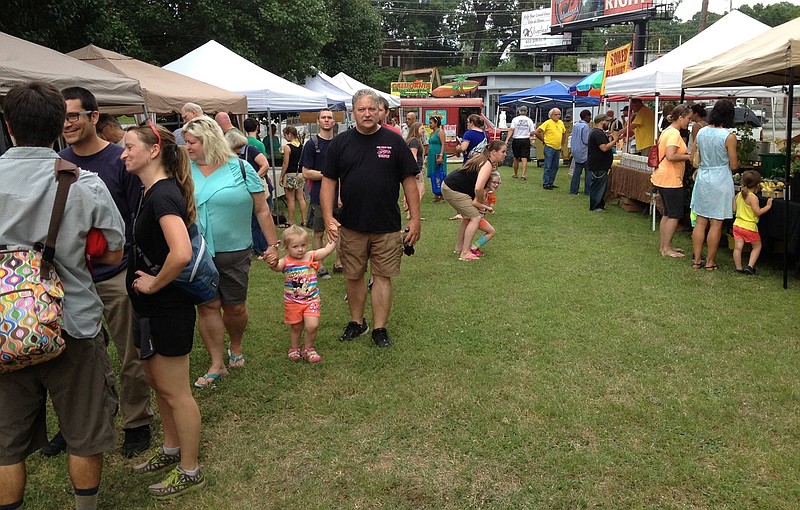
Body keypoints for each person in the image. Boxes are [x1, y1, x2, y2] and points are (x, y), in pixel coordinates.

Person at [0, 81, 125, 510]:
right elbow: (114, 248)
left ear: (9, 125)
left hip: (4, 327)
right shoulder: (82, 183)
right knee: (84, 430)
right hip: (72, 321)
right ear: (59, 125)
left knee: (5, 442)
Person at [57, 86, 153, 458]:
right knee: (81, 356)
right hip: (71, 277)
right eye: (62, 117)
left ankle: (137, 422)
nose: (67, 124)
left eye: (73, 116)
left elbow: (135, 218)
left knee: (129, 352)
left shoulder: (119, 159)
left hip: (115, 274)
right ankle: (86, 422)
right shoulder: (58, 162)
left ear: (94, 117)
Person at [121, 121, 205, 499]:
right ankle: (171, 450)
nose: (123, 154)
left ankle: (190, 469)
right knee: (158, 384)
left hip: (167, 307)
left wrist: (154, 284)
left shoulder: (162, 195)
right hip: (149, 309)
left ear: (154, 150)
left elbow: (181, 252)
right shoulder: (150, 191)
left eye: (128, 147)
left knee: (176, 392)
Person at [183, 116, 280, 387]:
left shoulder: (241, 168)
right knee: (208, 305)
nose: (187, 147)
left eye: (192, 142)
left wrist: (272, 244)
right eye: (186, 142)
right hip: (198, 251)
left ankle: (235, 345)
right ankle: (217, 362)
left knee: (235, 307)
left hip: (234, 250)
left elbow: (261, 208)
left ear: (209, 140)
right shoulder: (182, 168)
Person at [321, 89, 421, 348]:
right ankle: (357, 322)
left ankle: (379, 328)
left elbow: (409, 182)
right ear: (353, 112)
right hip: (351, 224)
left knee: (382, 276)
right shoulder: (340, 143)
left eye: (371, 109)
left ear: (380, 111)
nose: (367, 114)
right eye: (361, 109)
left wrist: (416, 220)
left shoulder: (394, 141)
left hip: (387, 225)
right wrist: (328, 217)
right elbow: (329, 183)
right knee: (353, 276)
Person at [269, 226, 337, 363]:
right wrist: (272, 263)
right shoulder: (286, 261)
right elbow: (276, 267)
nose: (300, 249)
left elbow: (325, 251)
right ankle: (294, 348)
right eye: (295, 246)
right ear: (287, 247)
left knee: (312, 325)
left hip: (311, 300)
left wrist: (334, 239)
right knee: (296, 326)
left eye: (303, 245)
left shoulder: (311, 256)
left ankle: (308, 348)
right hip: (292, 302)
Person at [690, 99, 738, 271]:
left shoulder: (702, 132)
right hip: (720, 177)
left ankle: (696, 259)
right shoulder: (728, 136)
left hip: (704, 176)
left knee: (701, 220)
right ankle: (710, 261)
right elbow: (733, 164)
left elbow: (692, 156)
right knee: (716, 223)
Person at [441, 140, 507, 261]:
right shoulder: (487, 164)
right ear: (493, 152)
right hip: (454, 189)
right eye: (503, 151)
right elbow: (478, 188)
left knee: (467, 217)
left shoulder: (483, 159)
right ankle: (465, 252)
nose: (505, 154)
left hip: (449, 185)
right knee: (475, 217)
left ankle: (460, 247)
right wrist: (481, 203)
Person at [651, 104, 692, 259]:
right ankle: (666, 248)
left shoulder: (667, 131)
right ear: (680, 117)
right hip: (670, 178)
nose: (688, 121)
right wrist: (689, 156)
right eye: (688, 118)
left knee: (667, 213)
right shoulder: (674, 134)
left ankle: (664, 245)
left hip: (663, 177)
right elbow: (670, 156)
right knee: (674, 214)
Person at [301, 109, 339, 279]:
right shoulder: (311, 144)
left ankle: (339, 262)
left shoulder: (339, 143)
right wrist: (328, 174)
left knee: (340, 230)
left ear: (334, 121)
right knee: (319, 231)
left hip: (338, 194)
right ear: (318, 121)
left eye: (329, 117)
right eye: (323, 117)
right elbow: (306, 172)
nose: (326, 120)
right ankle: (320, 264)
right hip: (318, 195)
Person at [225, 129, 273, 256]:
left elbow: (265, 165)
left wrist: (253, 179)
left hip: (255, 190)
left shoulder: (250, 150)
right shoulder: (228, 157)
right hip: (242, 193)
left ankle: (262, 248)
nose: (238, 150)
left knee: (258, 219)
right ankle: (256, 247)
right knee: (252, 221)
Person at [732, 171, 773, 275]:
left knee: (737, 248)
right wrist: (767, 206)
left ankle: (738, 267)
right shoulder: (753, 197)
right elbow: (758, 212)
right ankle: (750, 267)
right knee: (757, 246)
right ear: (757, 184)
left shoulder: (739, 195)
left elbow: (734, 209)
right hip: (749, 227)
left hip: (737, 225)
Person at [587, 114, 621, 212]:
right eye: (607, 121)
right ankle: (596, 206)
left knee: (599, 185)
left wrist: (607, 135)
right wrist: (615, 139)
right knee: (598, 186)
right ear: (602, 122)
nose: (608, 123)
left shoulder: (597, 132)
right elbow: (604, 148)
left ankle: (598, 204)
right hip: (598, 164)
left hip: (598, 163)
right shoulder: (598, 133)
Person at [469, 170, 501, 257]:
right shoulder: (483, 192)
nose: (496, 185)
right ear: (488, 181)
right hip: (476, 217)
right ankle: (474, 247)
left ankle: (471, 247)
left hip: (477, 217)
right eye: (494, 182)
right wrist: (487, 207)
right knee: (491, 231)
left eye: (498, 183)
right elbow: (474, 203)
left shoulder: (488, 193)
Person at [280, 126, 308, 227]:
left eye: (285, 135)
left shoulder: (288, 147)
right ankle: (304, 220)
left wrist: (281, 176)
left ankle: (290, 221)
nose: (285, 138)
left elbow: (285, 163)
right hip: (300, 174)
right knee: (301, 197)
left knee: (290, 199)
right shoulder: (302, 146)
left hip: (290, 174)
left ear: (289, 134)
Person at [534, 108, 566, 190]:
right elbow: (537, 132)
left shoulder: (561, 123)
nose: (558, 116)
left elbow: (564, 133)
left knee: (555, 167)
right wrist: (543, 140)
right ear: (551, 115)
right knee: (548, 166)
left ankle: (551, 182)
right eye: (556, 114)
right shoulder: (547, 123)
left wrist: (562, 144)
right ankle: (546, 183)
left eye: (559, 114)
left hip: (557, 148)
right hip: (549, 147)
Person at [404, 121, 426, 218]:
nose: (424, 130)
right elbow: (413, 156)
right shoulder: (414, 141)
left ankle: (410, 212)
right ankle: (413, 212)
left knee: (413, 191)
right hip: (416, 170)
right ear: (416, 129)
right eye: (422, 128)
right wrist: (415, 170)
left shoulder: (415, 140)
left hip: (414, 169)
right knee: (419, 192)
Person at [508, 106, 535, 180]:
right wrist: (529, 135)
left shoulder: (515, 119)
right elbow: (532, 132)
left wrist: (507, 139)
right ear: (526, 112)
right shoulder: (529, 120)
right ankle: (523, 174)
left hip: (516, 139)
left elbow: (512, 129)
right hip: (525, 139)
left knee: (516, 157)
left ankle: (515, 173)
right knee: (524, 157)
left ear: (519, 111)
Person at [569, 109, 592, 195]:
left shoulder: (576, 125)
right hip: (584, 151)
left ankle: (573, 190)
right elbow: (586, 140)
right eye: (589, 116)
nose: (590, 118)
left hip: (576, 151)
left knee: (577, 172)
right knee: (588, 172)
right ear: (586, 116)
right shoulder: (585, 126)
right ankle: (588, 190)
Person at [427, 115, 447, 203]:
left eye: (431, 123)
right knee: (433, 174)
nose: (429, 125)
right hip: (431, 155)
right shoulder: (431, 133)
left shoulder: (440, 132)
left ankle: (441, 195)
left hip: (438, 154)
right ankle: (436, 194)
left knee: (440, 174)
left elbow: (443, 144)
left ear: (436, 123)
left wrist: (441, 155)